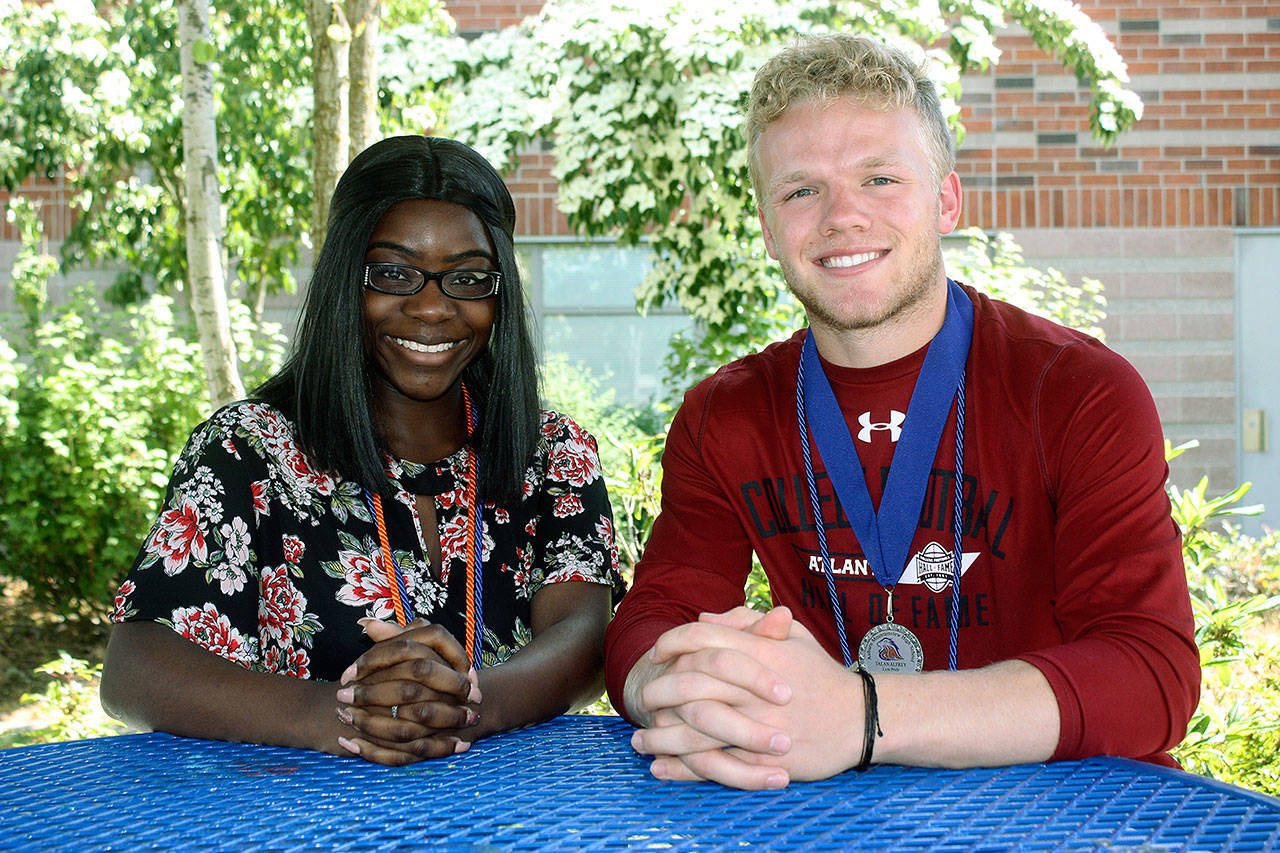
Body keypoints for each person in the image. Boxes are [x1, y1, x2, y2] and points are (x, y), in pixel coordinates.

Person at [603, 34, 1200, 790]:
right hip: (837, 816)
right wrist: (689, 690)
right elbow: (652, 616)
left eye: (879, 178)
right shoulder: (726, 415)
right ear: (766, 228)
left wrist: (862, 715)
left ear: (946, 199)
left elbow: (1151, 673)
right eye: (800, 190)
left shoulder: (1077, 391)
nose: (841, 216)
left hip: (1065, 808)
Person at [102, 135, 624, 765]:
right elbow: (136, 667)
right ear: (346, 279)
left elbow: (584, 635)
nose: (432, 308)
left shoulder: (553, 454)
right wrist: (340, 715)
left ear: (500, 294)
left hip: (509, 823)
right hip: (291, 820)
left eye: (468, 278)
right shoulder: (247, 451)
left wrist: (468, 708)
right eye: (395, 272)